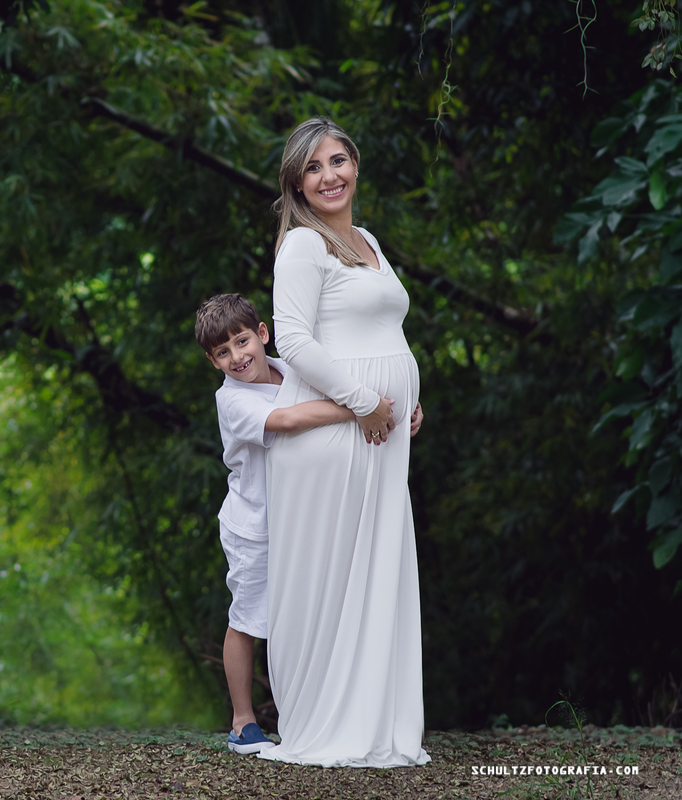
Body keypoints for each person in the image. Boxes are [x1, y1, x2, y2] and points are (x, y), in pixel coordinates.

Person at [257, 117, 430, 767]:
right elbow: (294, 340)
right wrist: (365, 402)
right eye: (313, 167)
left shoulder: (367, 240)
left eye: (337, 161)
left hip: (381, 433)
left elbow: (384, 333)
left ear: (355, 165)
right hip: (334, 433)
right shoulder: (304, 246)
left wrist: (407, 400)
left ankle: (376, 724)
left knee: (377, 570)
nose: (329, 176)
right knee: (330, 577)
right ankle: (323, 722)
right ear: (296, 184)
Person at [196, 294, 408, 754]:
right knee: (248, 618)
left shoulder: (292, 369)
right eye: (222, 352)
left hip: (301, 519)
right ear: (213, 362)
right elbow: (288, 419)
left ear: (263, 333)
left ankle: (320, 714)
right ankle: (242, 723)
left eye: (242, 341)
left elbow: (347, 388)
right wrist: (361, 408)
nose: (237, 357)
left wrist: (396, 410)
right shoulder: (231, 400)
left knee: (307, 612)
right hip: (255, 526)